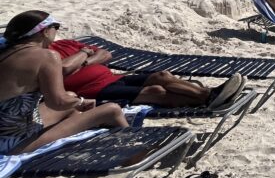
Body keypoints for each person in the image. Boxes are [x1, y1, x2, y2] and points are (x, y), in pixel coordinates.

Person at [0, 10, 128, 154]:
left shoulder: (6, 51)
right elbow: (57, 103)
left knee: (70, 96)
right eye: (56, 27)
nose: (56, 31)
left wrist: (76, 101)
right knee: (112, 110)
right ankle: (133, 154)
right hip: (13, 143)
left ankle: (80, 145)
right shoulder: (46, 56)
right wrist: (81, 101)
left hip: (12, 126)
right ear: (45, 31)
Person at [51, 37, 245, 109]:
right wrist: (85, 53)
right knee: (155, 92)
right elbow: (64, 68)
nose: (56, 29)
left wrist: (83, 61)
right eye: (53, 27)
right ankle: (211, 97)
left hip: (113, 77)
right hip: (93, 91)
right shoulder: (45, 56)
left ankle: (209, 96)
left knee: (162, 76)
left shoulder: (65, 43)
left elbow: (106, 54)